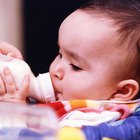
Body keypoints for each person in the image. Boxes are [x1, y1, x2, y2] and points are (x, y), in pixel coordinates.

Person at [0, 0, 140, 139]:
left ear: (122, 91)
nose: (56, 70)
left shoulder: (93, 120)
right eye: (60, 54)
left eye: (75, 66)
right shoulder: (75, 100)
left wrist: (14, 112)